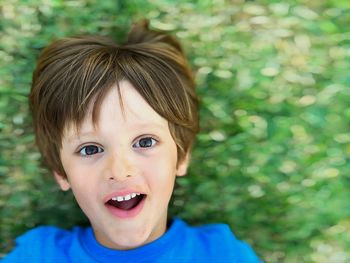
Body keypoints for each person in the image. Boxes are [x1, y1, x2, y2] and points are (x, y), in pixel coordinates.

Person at [2, 20, 261, 262]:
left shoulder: (222, 254)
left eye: (145, 142)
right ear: (61, 171)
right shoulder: (38, 256)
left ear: (181, 155)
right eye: (90, 148)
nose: (119, 171)